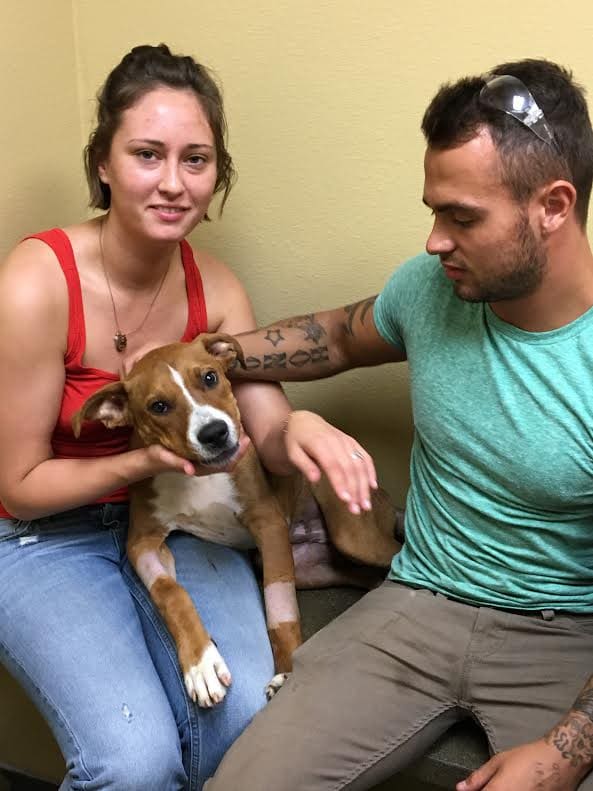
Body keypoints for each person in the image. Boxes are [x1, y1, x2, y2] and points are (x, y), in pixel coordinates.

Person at [207, 59, 593, 790]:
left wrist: (563, 751)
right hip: (418, 601)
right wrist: (204, 359)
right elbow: (336, 334)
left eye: (462, 216)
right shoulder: (430, 289)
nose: (433, 241)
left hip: (564, 633)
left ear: (553, 205)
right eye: (433, 209)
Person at [0, 43, 368, 791]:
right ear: (103, 163)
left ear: (216, 174)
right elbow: (19, 484)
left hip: (181, 522)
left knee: (245, 731)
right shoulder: (37, 281)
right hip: (45, 537)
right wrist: (142, 461)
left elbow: (259, 424)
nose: (173, 182)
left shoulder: (218, 289)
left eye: (195, 159)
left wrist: (301, 429)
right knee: (133, 764)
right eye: (147, 154)